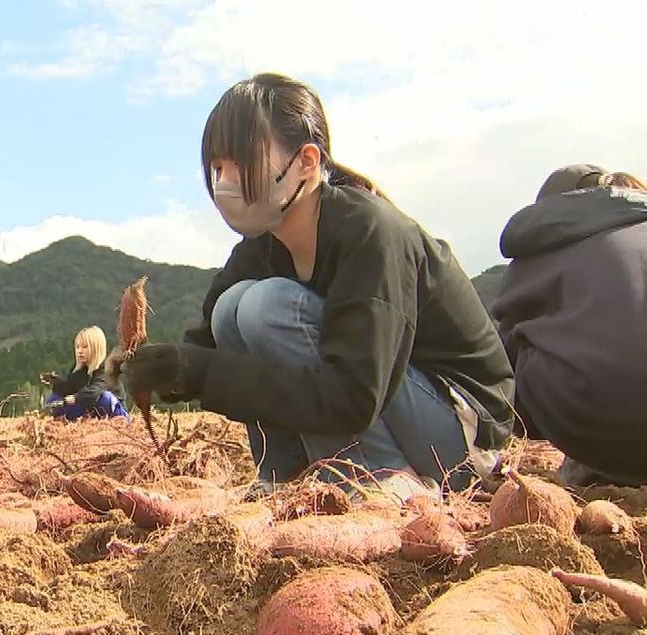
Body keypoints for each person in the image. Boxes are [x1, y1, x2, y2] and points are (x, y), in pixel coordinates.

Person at [119, 73, 515, 498]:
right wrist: (161, 369)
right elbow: (206, 351)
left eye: (241, 162)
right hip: (387, 407)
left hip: (460, 436)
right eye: (217, 167)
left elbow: (353, 396)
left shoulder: (370, 233)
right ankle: (286, 480)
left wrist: (198, 371)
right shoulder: (260, 249)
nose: (225, 182)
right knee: (230, 309)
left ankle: (376, 481)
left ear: (306, 161)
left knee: (265, 307)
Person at [492, 165, 647, 486]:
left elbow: (498, 363)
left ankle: (596, 462)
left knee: (520, 346)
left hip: (609, 429)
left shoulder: (541, 251)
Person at [40, 326, 128, 421]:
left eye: (85, 347)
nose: (80, 351)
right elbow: (70, 388)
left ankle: (120, 422)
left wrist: (76, 398)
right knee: (55, 398)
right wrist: (55, 382)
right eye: (77, 347)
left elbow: (96, 390)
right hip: (89, 409)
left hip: (111, 409)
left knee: (105, 397)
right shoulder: (79, 369)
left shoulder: (106, 368)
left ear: (96, 348)